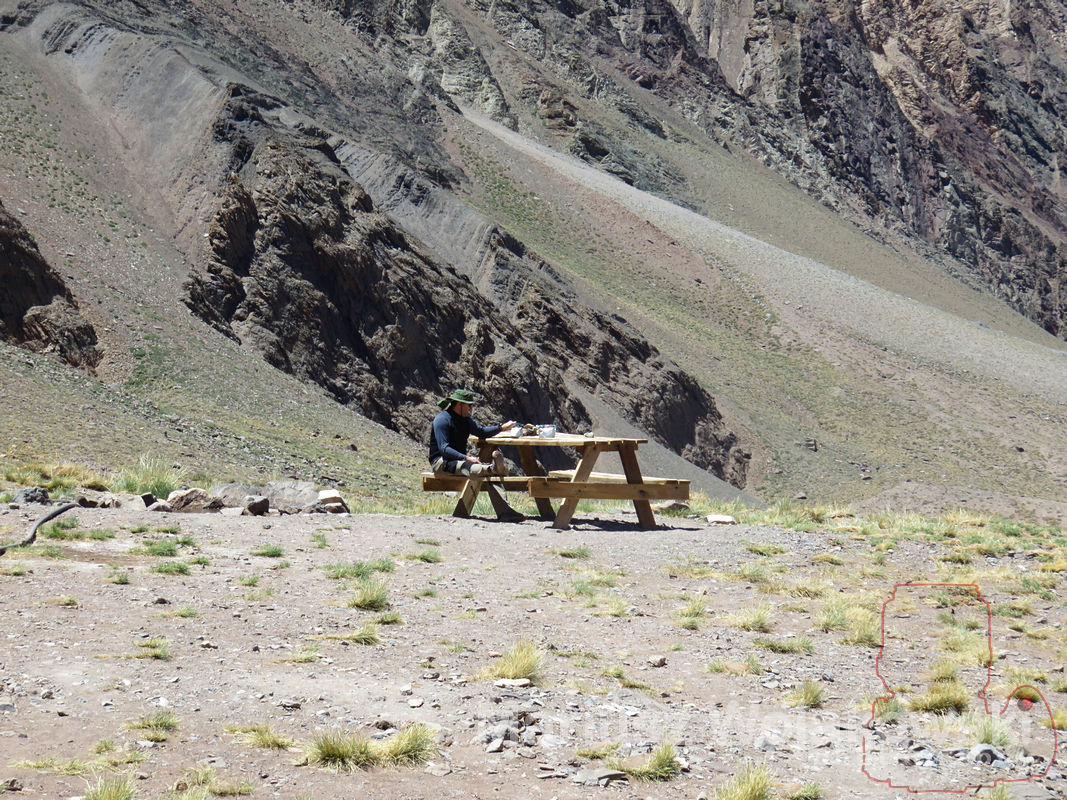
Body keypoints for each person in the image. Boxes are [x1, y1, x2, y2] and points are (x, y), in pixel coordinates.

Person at [429, 388, 525, 522]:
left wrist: (501, 427)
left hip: (460, 461)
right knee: (470, 467)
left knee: (482, 471)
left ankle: (506, 512)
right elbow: (444, 448)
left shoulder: (466, 420)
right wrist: (466, 457)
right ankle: (494, 469)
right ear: (459, 404)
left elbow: (481, 432)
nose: (471, 408)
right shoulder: (442, 420)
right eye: (469, 405)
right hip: (441, 462)